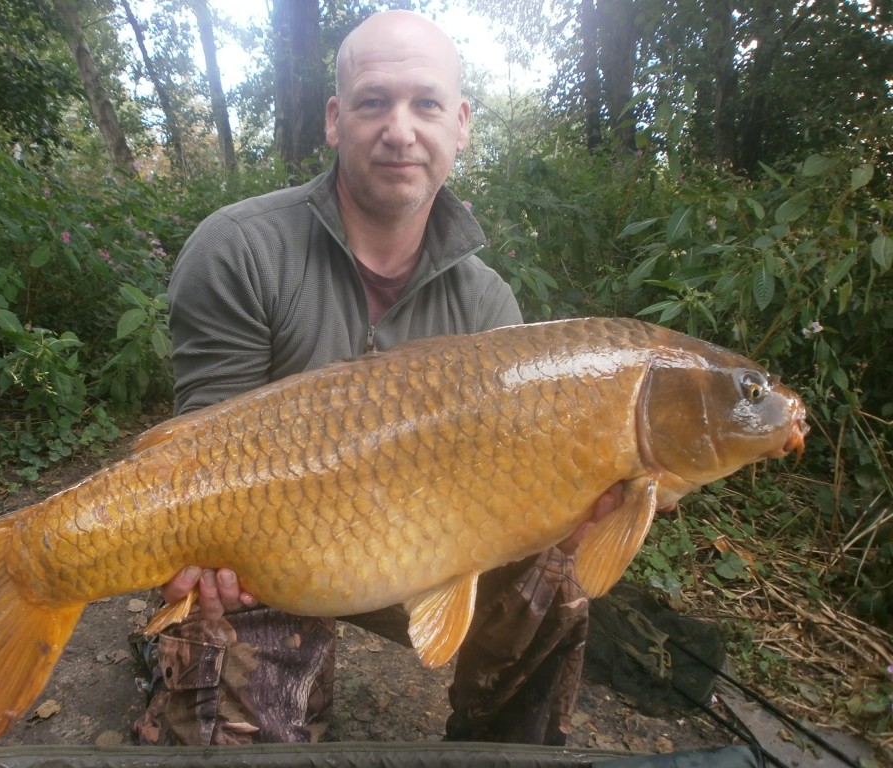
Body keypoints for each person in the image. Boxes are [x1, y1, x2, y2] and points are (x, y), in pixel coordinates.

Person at [133, 9, 621, 747]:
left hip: (419, 539)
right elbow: (201, 458)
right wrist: (207, 561)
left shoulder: (487, 302)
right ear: (335, 119)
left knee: (557, 583)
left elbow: (513, 488)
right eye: (373, 102)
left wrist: (568, 509)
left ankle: (500, 754)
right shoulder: (240, 248)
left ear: (459, 124)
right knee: (237, 669)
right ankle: (170, 654)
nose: (401, 129)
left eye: (425, 104)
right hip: (269, 550)